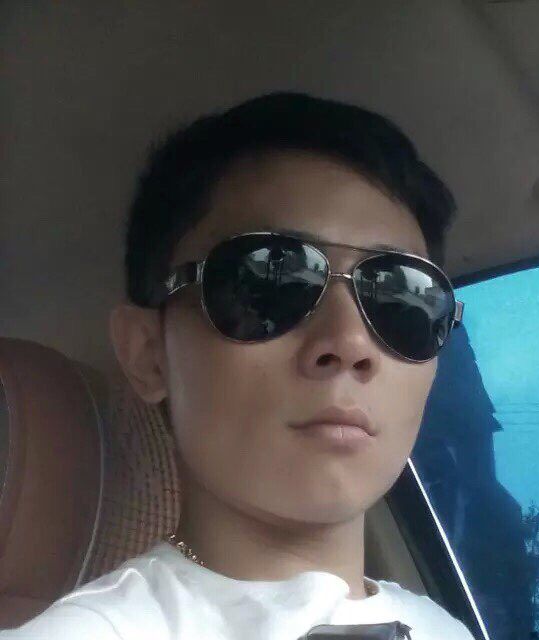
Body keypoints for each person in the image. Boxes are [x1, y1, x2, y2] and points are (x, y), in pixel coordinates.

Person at [0, 92, 473, 640]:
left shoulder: (444, 628)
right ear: (148, 353)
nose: (348, 342)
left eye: (404, 300)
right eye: (269, 282)